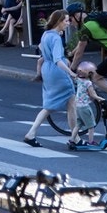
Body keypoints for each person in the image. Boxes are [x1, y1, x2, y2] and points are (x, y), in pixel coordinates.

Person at [24, 8, 75, 145]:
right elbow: (58, 59)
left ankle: (31, 133)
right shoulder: (57, 38)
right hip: (57, 72)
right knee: (72, 103)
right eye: (66, 21)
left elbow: (41, 47)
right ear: (58, 21)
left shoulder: (46, 34)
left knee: (49, 105)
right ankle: (75, 138)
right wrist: (70, 72)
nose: (68, 23)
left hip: (47, 69)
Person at [68, 61, 100, 146]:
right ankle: (91, 141)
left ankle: (72, 139)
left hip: (77, 106)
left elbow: (73, 76)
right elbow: (93, 94)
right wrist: (100, 99)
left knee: (78, 124)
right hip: (85, 107)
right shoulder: (88, 83)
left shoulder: (79, 80)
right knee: (91, 125)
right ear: (89, 74)